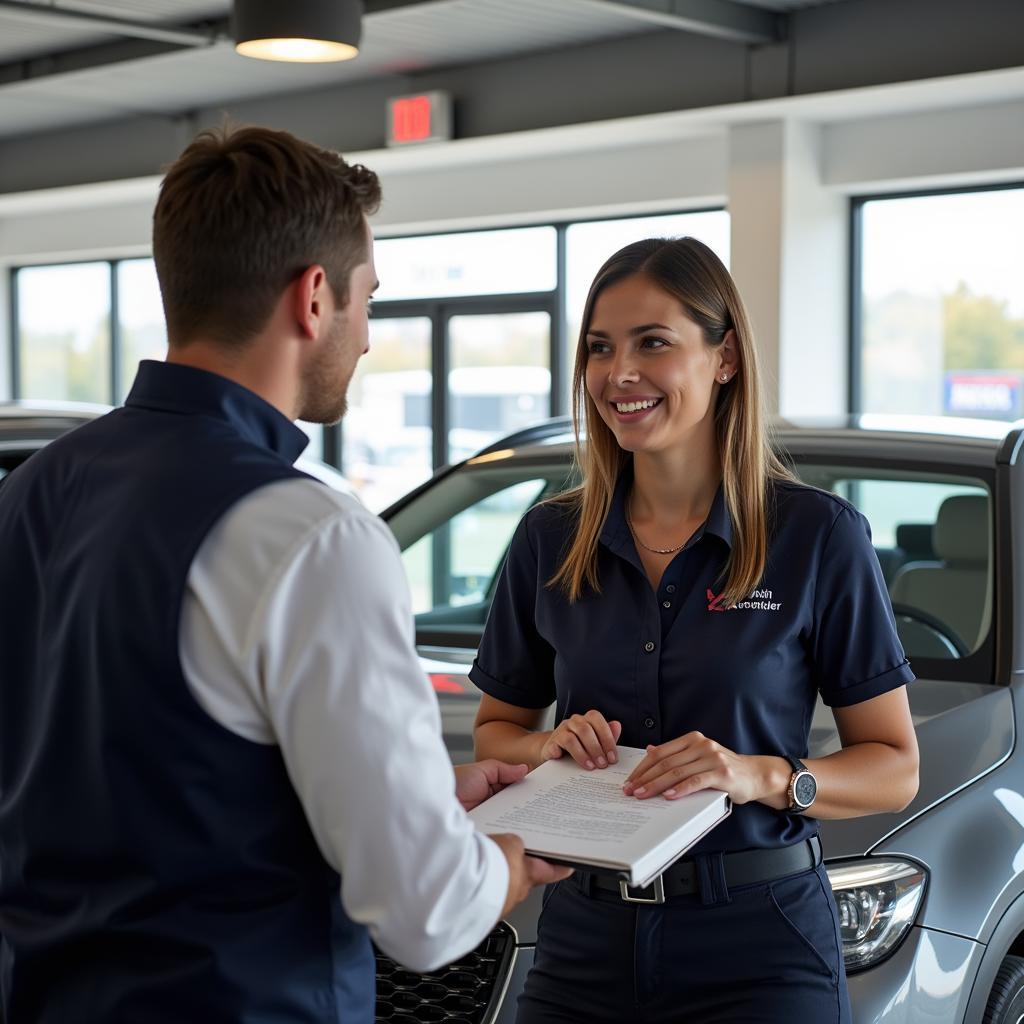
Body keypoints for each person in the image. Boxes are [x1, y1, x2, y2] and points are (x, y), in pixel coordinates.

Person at [0, 125, 569, 1023]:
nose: (370, 337)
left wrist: (423, 804)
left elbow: (126, 776)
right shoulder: (311, 534)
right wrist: (502, 856)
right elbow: (424, 915)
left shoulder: (30, 493)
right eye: (367, 300)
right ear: (313, 298)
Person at [470, 237, 920, 1023]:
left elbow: (894, 769)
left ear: (725, 358)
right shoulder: (550, 538)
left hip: (760, 945)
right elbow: (497, 732)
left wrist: (762, 776)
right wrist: (547, 746)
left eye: (654, 343)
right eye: (600, 348)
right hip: (584, 938)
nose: (620, 374)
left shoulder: (816, 537)